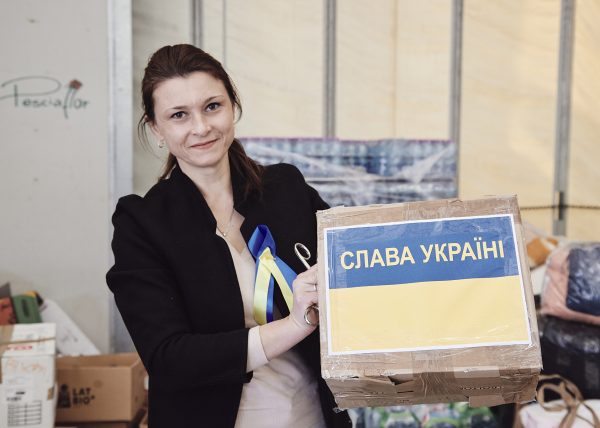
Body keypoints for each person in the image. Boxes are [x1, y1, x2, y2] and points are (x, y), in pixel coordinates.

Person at [106, 44, 351, 428]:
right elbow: (169, 359)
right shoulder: (142, 224)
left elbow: (352, 271)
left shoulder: (286, 189)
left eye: (212, 107)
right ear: (156, 127)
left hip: (311, 416)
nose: (201, 127)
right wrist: (295, 325)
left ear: (232, 106)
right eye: (179, 115)